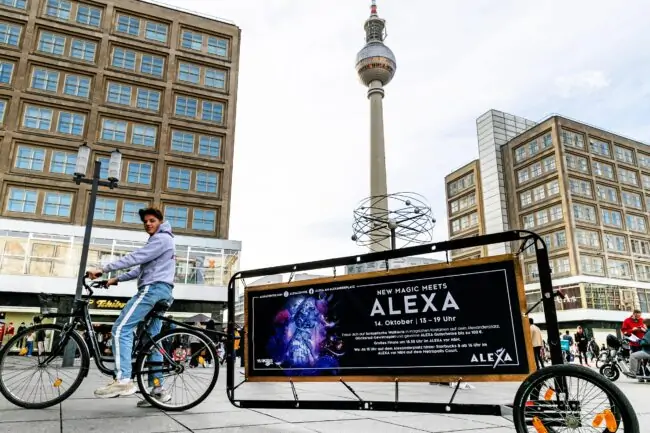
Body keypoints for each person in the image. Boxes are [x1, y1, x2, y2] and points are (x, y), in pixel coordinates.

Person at [87, 207, 175, 406]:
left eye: (152, 220)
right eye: (145, 221)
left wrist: (103, 268)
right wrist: (116, 279)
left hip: (152, 290)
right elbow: (140, 269)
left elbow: (135, 257)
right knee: (152, 341)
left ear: (160, 222)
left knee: (121, 328)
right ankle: (158, 390)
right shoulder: (163, 240)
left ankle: (123, 380)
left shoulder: (161, 239)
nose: (148, 224)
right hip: (163, 291)